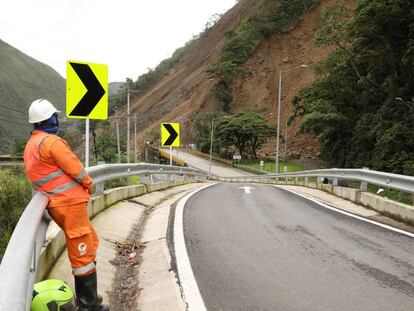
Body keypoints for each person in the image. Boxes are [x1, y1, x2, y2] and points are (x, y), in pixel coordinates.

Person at [23, 99, 109, 311]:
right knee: (82, 252)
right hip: (69, 204)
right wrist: (88, 184)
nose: (57, 119)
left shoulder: (31, 145)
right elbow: (76, 168)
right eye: (54, 116)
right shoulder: (52, 142)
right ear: (48, 119)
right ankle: (88, 304)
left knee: (89, 241)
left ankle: (90, 298)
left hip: (57, 204)